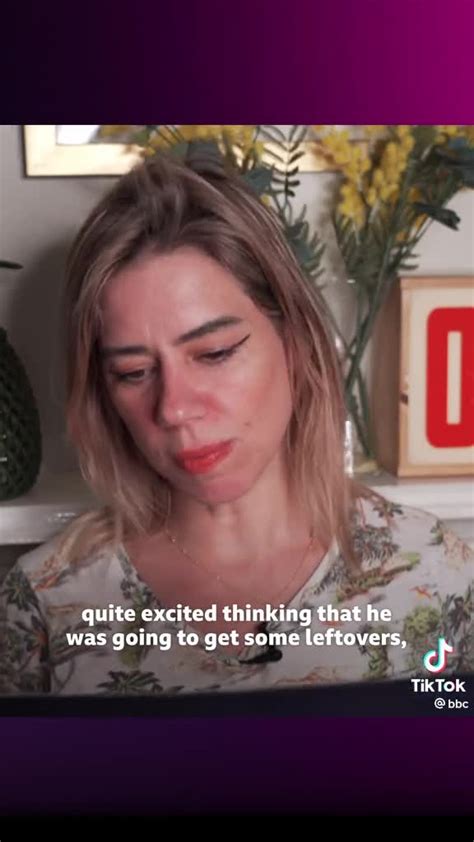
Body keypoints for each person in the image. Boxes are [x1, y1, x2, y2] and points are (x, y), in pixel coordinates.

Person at [0, 152, 472, 696]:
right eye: (133, 373)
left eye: (215, 353)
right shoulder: (46, 603)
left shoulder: (436, 574)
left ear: (296, 342)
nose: (174, 408)